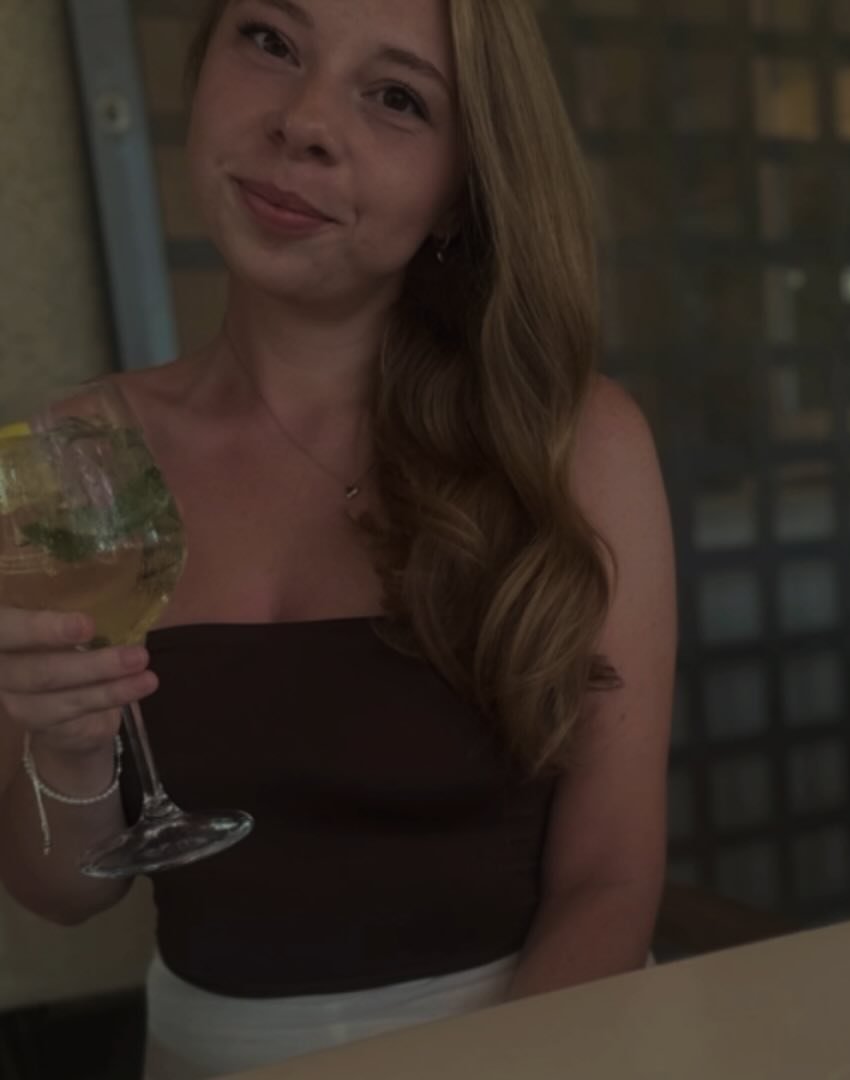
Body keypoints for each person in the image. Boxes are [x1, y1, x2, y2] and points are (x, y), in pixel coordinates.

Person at [0, 0, 676, 1075]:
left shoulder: (574, 448)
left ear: (461, 185)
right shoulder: (76, 451)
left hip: (538, 1050)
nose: (306, 122)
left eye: (397, 98)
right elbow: (62, 894)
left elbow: (611, 880)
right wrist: (68, 743)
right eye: (271, 41)